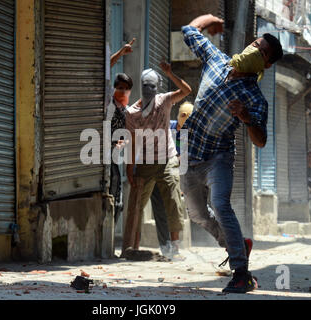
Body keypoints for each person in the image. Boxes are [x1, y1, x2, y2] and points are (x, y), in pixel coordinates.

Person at [179, 14, 283, 293]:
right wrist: (210, 18)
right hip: (190, 155)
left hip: (219, 156)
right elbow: (189, 30)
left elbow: (260, 140)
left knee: (221, 205)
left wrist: (246, 117)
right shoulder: (216, 60)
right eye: (254, 45)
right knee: (197, 215)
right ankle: (236, 244)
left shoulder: (254, 97)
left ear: (267, 64)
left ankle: (241, 273)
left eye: (261, 53)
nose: (253, 51)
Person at [121, 60, 192, 260]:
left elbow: (186, 90)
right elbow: (132, 142)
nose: (149, 90)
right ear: (141, 87)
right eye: (146, 86)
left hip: (168, 159)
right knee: (137, 205)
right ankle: (132, 248)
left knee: (173, 202)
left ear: (157, 87)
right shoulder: (132, 113)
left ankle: (175, 248)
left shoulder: (165, 100)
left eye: (152, 86)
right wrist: (129, 168)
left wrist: (170, 73)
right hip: (144, 163)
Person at [150, 102, 194, 258]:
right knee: (159, 210)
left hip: (173, 176)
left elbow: (185, 161)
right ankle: (165, 247)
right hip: (156, 171)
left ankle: (174, 248)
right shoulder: (168, 127)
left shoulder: (190, 135)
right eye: (184, 116)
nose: (185, 121)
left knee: (174, 208)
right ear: (179, 115)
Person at [108, 39, 135, 225]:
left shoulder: (127, 111)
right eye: (120, 88)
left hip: (113, 156)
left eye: (126, 89)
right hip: (101, 152)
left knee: (117, 197)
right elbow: (104, 66)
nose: (122, 91)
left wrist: (122, 143)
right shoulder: (107, 100)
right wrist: (120, 53)